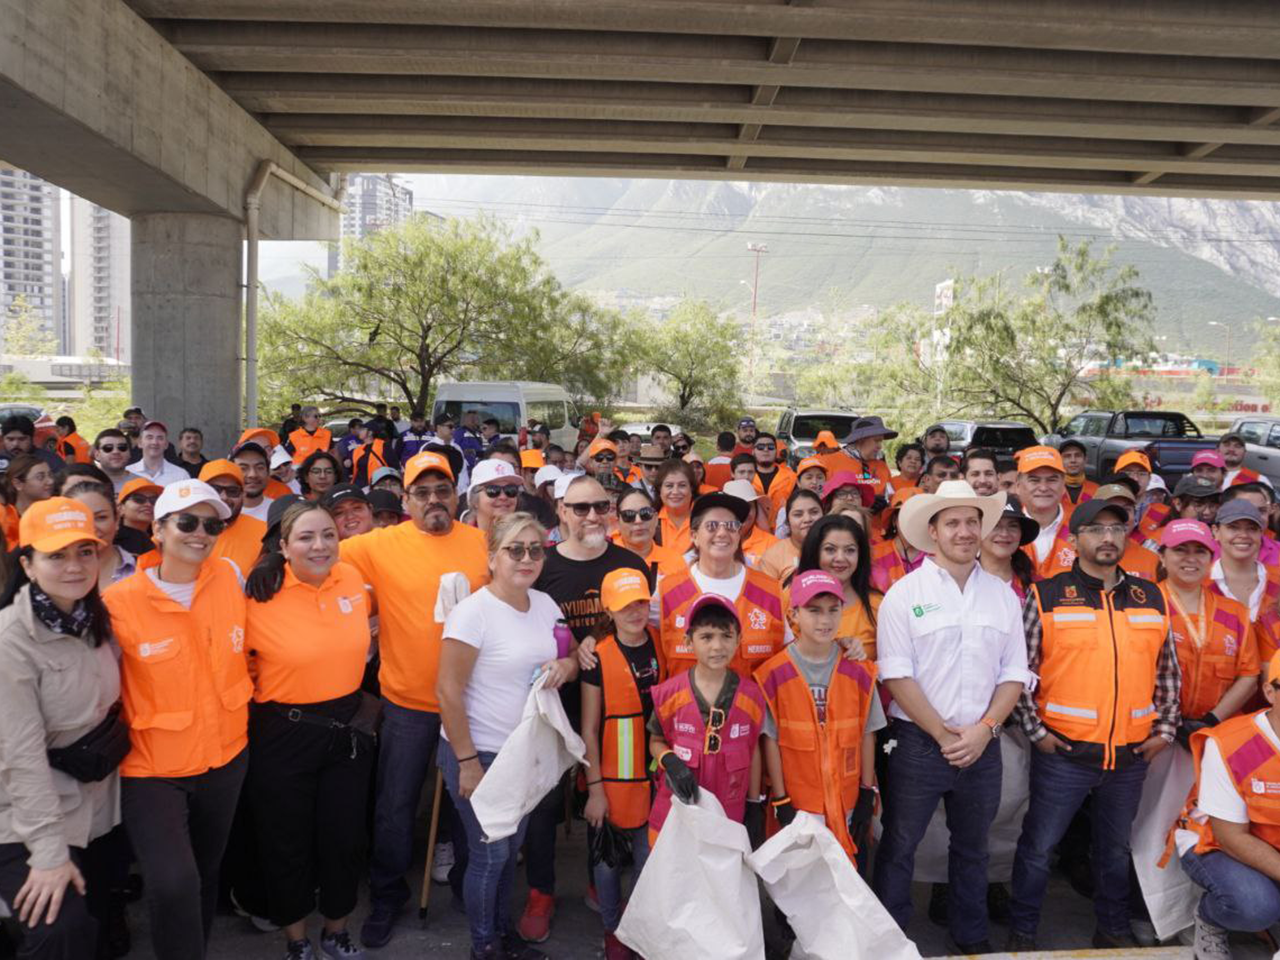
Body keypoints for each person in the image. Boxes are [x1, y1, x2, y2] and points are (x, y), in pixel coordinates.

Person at [1007, 497, 1179, 952]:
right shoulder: (1045, 595)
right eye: (1097, 530)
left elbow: (1167, 671)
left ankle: (1112, 928)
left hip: (1129, 755)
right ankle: (1023, 932)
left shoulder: (1152, 596)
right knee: (1040, 848)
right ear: (1075, 539)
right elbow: (1019, 673)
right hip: (1064, 753)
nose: (1108, 538)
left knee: (1114, 850)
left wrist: (1164, 731)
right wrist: (1037, 733)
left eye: (1117, 530)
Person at [338, 451, 489, 948]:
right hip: (406, 702)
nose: (433, 500)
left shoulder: (482, 543)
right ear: (405, 500)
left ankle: (473, 888)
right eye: (421, 493)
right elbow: (317, 556)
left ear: (455, 495)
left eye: (441, 490)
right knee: (395, 806)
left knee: (474, 805)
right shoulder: (375, 546)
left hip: (473, 702)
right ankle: (386, 894)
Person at [873, 481, 1029, 954]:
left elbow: (1014, 674)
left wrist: (985, 731)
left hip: (982, 744)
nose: (965, 531)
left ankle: (971, 937)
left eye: (972, 522)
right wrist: (943, 734)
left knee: (972, 847)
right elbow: (897, 676)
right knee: (900, 845)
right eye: (953, 523)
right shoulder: (903, 594)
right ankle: (889, 940)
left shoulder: (1002, 596)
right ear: (933, 532)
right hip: (918, 742)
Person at [104, 479, 249, 960]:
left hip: (225, 761)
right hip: (152, 771)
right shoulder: (119, 604)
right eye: (187, 522)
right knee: (173, 883)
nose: (201, 533)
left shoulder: (229, 581)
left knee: (205, 876)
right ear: (159, 530)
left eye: (211, 524)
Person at [437, 512, 577, 960]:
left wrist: (565, 666)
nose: (527, 558)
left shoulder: (546, 605)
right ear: (493, 557)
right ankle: (485, 946)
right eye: (515, 549)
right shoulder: (473, 612)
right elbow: (447, 691)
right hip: (480, 753)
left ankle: (502, 934)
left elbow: (571, 657)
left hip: (523, 753)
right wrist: (467, 762)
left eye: (535, 549)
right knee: (491, 857)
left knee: (509, 849)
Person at [243, 500, 375, 960]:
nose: (319, 546)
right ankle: (296, 941)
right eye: (305, 537)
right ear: (283, 546)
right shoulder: (259, 592)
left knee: (343, 839)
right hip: (283, 730)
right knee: (287, 842)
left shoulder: (352, 578)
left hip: (347, 731)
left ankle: (335, 931)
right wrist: (263, 568)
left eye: (327, 535)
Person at [520, 476, 647, 942]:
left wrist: (601, 641)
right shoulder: (543, 566)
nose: (591, 516)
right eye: (580, 508)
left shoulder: (630, 563)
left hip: (614, 708)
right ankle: (541, 891)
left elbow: (638, 626)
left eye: (599, 506)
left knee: (608, 800)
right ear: (562, 513)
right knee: (546, 800)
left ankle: (602, 880)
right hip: (556, 703)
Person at [0, 498, 118, 960]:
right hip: (24, 819)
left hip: (97, 810)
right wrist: (48, 854)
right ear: (27, 564)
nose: (74, 566)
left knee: (98, 926)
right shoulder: (11, 641)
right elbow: (20, 756)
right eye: (57, 555)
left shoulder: (94, 619)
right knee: (59, 931)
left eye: (84, 552)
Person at [758, 570, 882, 859]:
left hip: (847, 799)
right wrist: (780, 798)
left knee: (845, 884)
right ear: (794, 614)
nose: (825, 620)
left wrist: (867, 790)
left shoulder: (860, 671)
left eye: (832, 610)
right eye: (814, 611)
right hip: (800, 803)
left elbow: (868, 733)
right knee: (797, 887)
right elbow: (770, 741)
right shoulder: (772, 674)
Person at [1175, 650, 1280, 960]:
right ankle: (1209, 919)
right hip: (1216, 844)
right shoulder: (1233, 744)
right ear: (1270, 692)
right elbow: (1230, 836)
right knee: (1256, 906)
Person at [580, 568, 662, 960]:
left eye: (641, 602)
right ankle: (613, 928)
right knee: (608, 864)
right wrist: (594, 789)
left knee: (649, 863)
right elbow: (589, 730)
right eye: (625, 604)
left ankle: (639, 928)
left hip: (656, 778)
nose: (635, 611)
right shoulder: (597, 656)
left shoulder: (661, 645)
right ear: (609, 610)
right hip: (611, 779)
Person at [647, 593, 765, 837]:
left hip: (729, 819)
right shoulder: (669, 694)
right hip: (678, 817)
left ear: (739, 640)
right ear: (688, 641)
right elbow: (655, 740)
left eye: (726, 636)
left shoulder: (752, 696)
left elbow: (753, 750)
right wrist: (669, 759)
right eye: (706, 637)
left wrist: (754, 804)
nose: (717, 646)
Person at [657, 491, 786, 678]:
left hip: (752, 706)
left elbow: (792, 654)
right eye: (712, 526)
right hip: (686, 706)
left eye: (732, 526)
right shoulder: (667, 591)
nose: (723, 533)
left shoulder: (770, 591)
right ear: (694, 536)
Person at [1159, 519, 1259, 744]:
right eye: (1180, 550)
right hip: (1155, 733)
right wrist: (1166, 722)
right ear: (1161, 557)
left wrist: (1211, 720)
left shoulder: (1235, 613)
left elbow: (1249, 675)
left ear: (1211, 559)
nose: (1191, 558)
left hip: (1216, 733)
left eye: (1200, 551)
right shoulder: (1146, 604)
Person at [793, 513, 882, 659]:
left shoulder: (878, 605)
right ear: (815, 552)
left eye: (850, 550)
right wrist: (836, 645)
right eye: (830, 549)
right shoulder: (789, 597)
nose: (840, 558)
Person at [1210, 499, 1276, 622]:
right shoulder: (1199, 582)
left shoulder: (1277, 578)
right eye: (1233, 528)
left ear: (1261, 533)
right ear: (1216, 532)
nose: (1244, 535)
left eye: (1252, 529)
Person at [199, 460, 268, 577]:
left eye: (233, 491)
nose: (223, 497)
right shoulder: (181, 528)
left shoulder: (265, 533)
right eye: (215, 489)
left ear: (243, 495)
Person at [1016, 445, 1076, 580]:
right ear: (1018, 486)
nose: (1043, 488)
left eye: (1052, 480)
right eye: (1034, 480)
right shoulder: (1003, 529)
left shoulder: (1082, 527)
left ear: (1063, 486)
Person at [66, 480, 138, 588]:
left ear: (117, 519)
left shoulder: (146, 569)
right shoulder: (53, 576)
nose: (92, 528)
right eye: (81, 518)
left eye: (101, 518)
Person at [1089, 481, 1160, 580]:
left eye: (1127, 509)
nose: (1121, 516)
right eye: (1111, 510)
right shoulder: (1079, 556)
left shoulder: (1152, 559)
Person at [611, 487, 685, 582]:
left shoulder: (675, 561)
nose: (638, 521)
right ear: (618, 524)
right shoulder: (605, 562)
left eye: (645, 513)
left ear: (655, 519)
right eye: (628, 515)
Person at [821, 417, 896, 503]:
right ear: (861, 440)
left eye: (881, 441)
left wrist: (884, 504)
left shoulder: (882, 466)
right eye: (876, 441)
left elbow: (891, 497)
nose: (880, 446)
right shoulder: (829, 462)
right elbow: (823, 498)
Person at [979, 495, 1038, 600]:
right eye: (995, 525)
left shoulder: (1037, 585)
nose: (1004, 533)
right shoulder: (960, 579)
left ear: (1021, 533)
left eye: (1012, 526)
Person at [759, 487, 823, 583]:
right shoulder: (773, 556)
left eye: (814, 512)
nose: (807, 519)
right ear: (788, 521)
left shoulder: (835, 549)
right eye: (798, 514)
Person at [871, 488, 926, 592]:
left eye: (919, 515)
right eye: (906, 515)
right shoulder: (874, 555)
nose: (913, 522)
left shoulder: (938, 554)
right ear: (894, 520)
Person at [724, 478, 781, 570]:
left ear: (756, 510)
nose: (742, 512)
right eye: (735, 507)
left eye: (748, 506)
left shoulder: (773, 545)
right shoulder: (712, 542)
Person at [123, 421, 188, 486]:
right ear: (140, 443)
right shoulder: (127, 473)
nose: (155, 442)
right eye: (149, 437)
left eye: (160, 438)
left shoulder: (181, 475)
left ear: (166, 444)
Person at [466, 459, 522, 534]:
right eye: (493, 490)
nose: (503, 497)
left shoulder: (533, 538)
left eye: (510, 489)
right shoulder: (460, 541)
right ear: (474, 500)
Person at [655, 459, 696, 556]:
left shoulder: (704, 518)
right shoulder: (648, 520)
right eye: (669, 486)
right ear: (660, 489)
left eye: (682, 485)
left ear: (692, 488)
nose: (675, 492)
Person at [754, 432, 796, 518]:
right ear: (753, 451)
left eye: (771, 447)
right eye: (760, 447)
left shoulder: (792, 477)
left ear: (776, 451)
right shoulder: (743, 476)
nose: (766, 450)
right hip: (753, 530)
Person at [232, 441, 274, 523]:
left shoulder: (278, 512)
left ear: (268, 472)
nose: (253, 475)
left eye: (259, 467)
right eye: (243, 468)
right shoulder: (221, 513)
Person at [92, 429, 133, 495]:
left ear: (129, 453)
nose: (116, 452)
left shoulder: (143, 484)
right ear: (97, 455)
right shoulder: (86, 485)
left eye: (122, 447)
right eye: (108, 448)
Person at [1058, 439, 1097, 505]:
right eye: (1067, 456)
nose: (1073, 460)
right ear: (1059, 460)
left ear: (1085, 459)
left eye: (1078, 455)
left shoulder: (1097, 489)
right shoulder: (1052, 489)